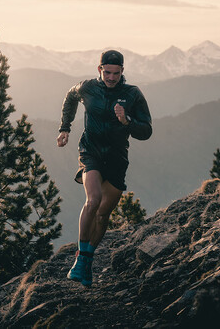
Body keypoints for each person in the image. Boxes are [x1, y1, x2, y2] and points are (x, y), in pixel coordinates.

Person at [57, 49, 152, 287]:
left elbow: (147, 131)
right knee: (93, 200)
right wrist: (65, 127)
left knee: (103, 214)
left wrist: (126, 121)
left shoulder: (132, 94)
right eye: (107, 72)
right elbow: (70, 96)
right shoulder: (88, 88)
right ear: (100, 69)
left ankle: (87, 260)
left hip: (118, 158)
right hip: (91, 151)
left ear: (122, 71)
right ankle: (81, 257)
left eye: (116, 73)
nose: (111, 77)